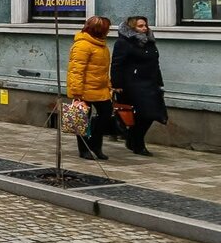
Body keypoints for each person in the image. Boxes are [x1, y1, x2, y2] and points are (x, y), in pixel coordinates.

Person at [111, 16, 167, 157]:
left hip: (150, 82)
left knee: (154, 114)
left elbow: (155, 63)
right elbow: (117, 64)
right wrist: (116, 84)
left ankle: (133, 138)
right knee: (144, 113)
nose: (144, 28)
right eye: (140, 26)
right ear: (132, 28)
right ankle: (137, 143)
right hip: (133, 83)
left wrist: (159, 82)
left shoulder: (149, 41)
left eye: (145, 25)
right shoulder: (123, 43)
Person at [66, 15, 114, 160]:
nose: (108, 31)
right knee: (82, 120)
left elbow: (103, 69)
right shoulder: (82, 45)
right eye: (107, 29)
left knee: (106, 114)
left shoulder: (101, 45)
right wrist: (76, 93)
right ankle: (84, 149)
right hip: (84, 90)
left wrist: (109, 85)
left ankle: (95, 144)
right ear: (99, 30)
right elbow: (76, 70)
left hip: (100, 89)